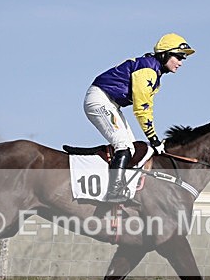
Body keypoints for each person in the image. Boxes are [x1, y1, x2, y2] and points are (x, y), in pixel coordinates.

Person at [83, 33, 195, 203]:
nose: (180, 62)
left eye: (183, 58)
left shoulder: (154, 72)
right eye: (178, 57)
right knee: (124, 145)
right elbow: (142, 109)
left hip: (110, 103)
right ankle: (114, 192)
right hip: (100, 99)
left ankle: (121, 187)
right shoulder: (148, 71)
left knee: (133, 150)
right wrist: (154, 139)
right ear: (164, 54)